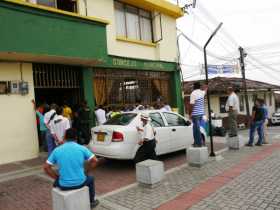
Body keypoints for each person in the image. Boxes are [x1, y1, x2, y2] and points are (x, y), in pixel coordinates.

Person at [43, 128, 99, 208]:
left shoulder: (57, 150)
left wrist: (56, 177)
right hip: (80, 182)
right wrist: (86, 171)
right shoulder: (82, 148)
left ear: (64, 137)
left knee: (55, 184)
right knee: (91, 179)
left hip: (63, 185)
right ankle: (91, 202)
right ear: (76, 138)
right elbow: (95, 161)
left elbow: (46, 167)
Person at [189, 82, 207, 147]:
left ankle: (198, 143)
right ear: (199, 86)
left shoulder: (193, 93)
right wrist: (205, 86)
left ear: (194, 87)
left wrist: (190, 113)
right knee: (196, 128)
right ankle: (197, 142)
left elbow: (192, 105)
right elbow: (205, 90)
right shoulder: (202, 92)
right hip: (201, 114)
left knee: (196, 129)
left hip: (195, 114)